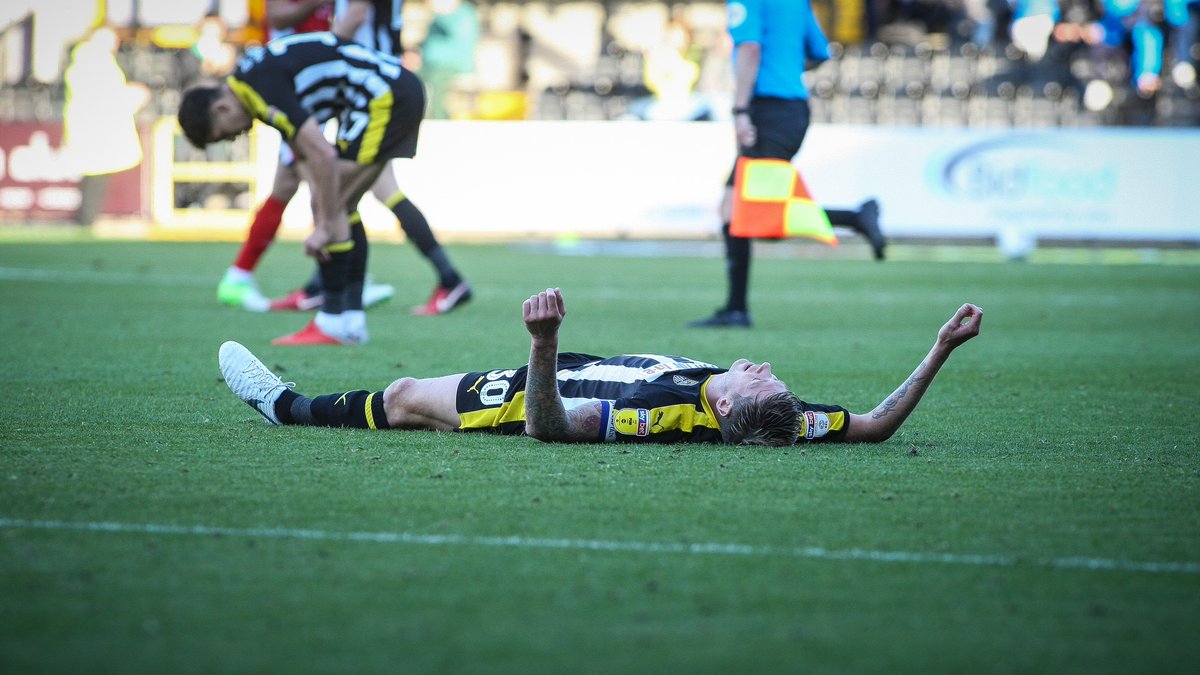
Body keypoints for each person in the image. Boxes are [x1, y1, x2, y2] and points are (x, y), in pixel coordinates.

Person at [219, 287, 984, 446]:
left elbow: (552, 428)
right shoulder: (785, 420)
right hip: (562, 365)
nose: (766, 365)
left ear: (724, 407)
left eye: (759, 376)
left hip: (534, 390)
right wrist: (940, 349)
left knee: (403, 395)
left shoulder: (658, 415)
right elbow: (875, 425)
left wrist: (543, 345)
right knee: (405, 395)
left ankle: (286, 407)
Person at [216, 0, 470, 316]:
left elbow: (353, 15)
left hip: (363, 82)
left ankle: (333, 297)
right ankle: (342, 294)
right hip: (364, 79)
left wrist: (328, 55)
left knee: (331, 194)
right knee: (344, 192)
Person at [179, 32, 425, 345]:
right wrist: (322, 208)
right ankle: (350, 320)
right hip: (389, 93)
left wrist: (324, 224)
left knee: (332, 207)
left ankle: (333, 322)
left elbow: (322, 154)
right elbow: (306, 151)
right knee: (338, 205)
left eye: (223, 135)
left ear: (221, 109)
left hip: (385, 98)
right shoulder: (252, 79)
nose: (234, 137)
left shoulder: (257, 88)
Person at [689, 0, 887, 329]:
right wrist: (785, 67)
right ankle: (735, 309)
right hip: (791, 110)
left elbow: (750, 48)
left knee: (754, 216)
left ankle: (856, 217)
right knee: (733, 211)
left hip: (767, 111)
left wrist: (740, 110)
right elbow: (819, 53)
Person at [62, 26, 150, 226]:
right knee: (93, 172)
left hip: (99, 125)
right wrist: (132, 95)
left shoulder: (101, 61)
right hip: (94, 126)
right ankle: (86, 218)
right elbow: (100, 96)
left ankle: (88, 217)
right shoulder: (89, 60)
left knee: (96, 172)